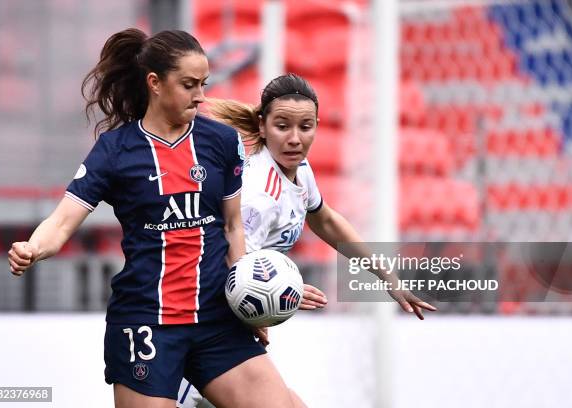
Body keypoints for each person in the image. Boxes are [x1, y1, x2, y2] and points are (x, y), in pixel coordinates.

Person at [7, 28, 306, 408]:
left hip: (216, 318)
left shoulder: (221, 142)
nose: (200, 95)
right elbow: (63, 221)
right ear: (155, 83)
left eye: (204, 83)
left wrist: (247, 301)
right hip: (146, 324)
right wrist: (32, 248)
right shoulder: (115, 151)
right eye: (188, 84)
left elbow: (232, 227)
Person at [177, 73, 436, 407]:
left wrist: (386, 276)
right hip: (209, 324)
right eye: (283, 126)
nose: (295, 139)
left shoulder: (300, 171)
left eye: (306, 127)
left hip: (234, 326)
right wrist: (284, 292)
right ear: (262, 126)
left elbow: (325, 219)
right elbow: (233, 265)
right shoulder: (259, 191)